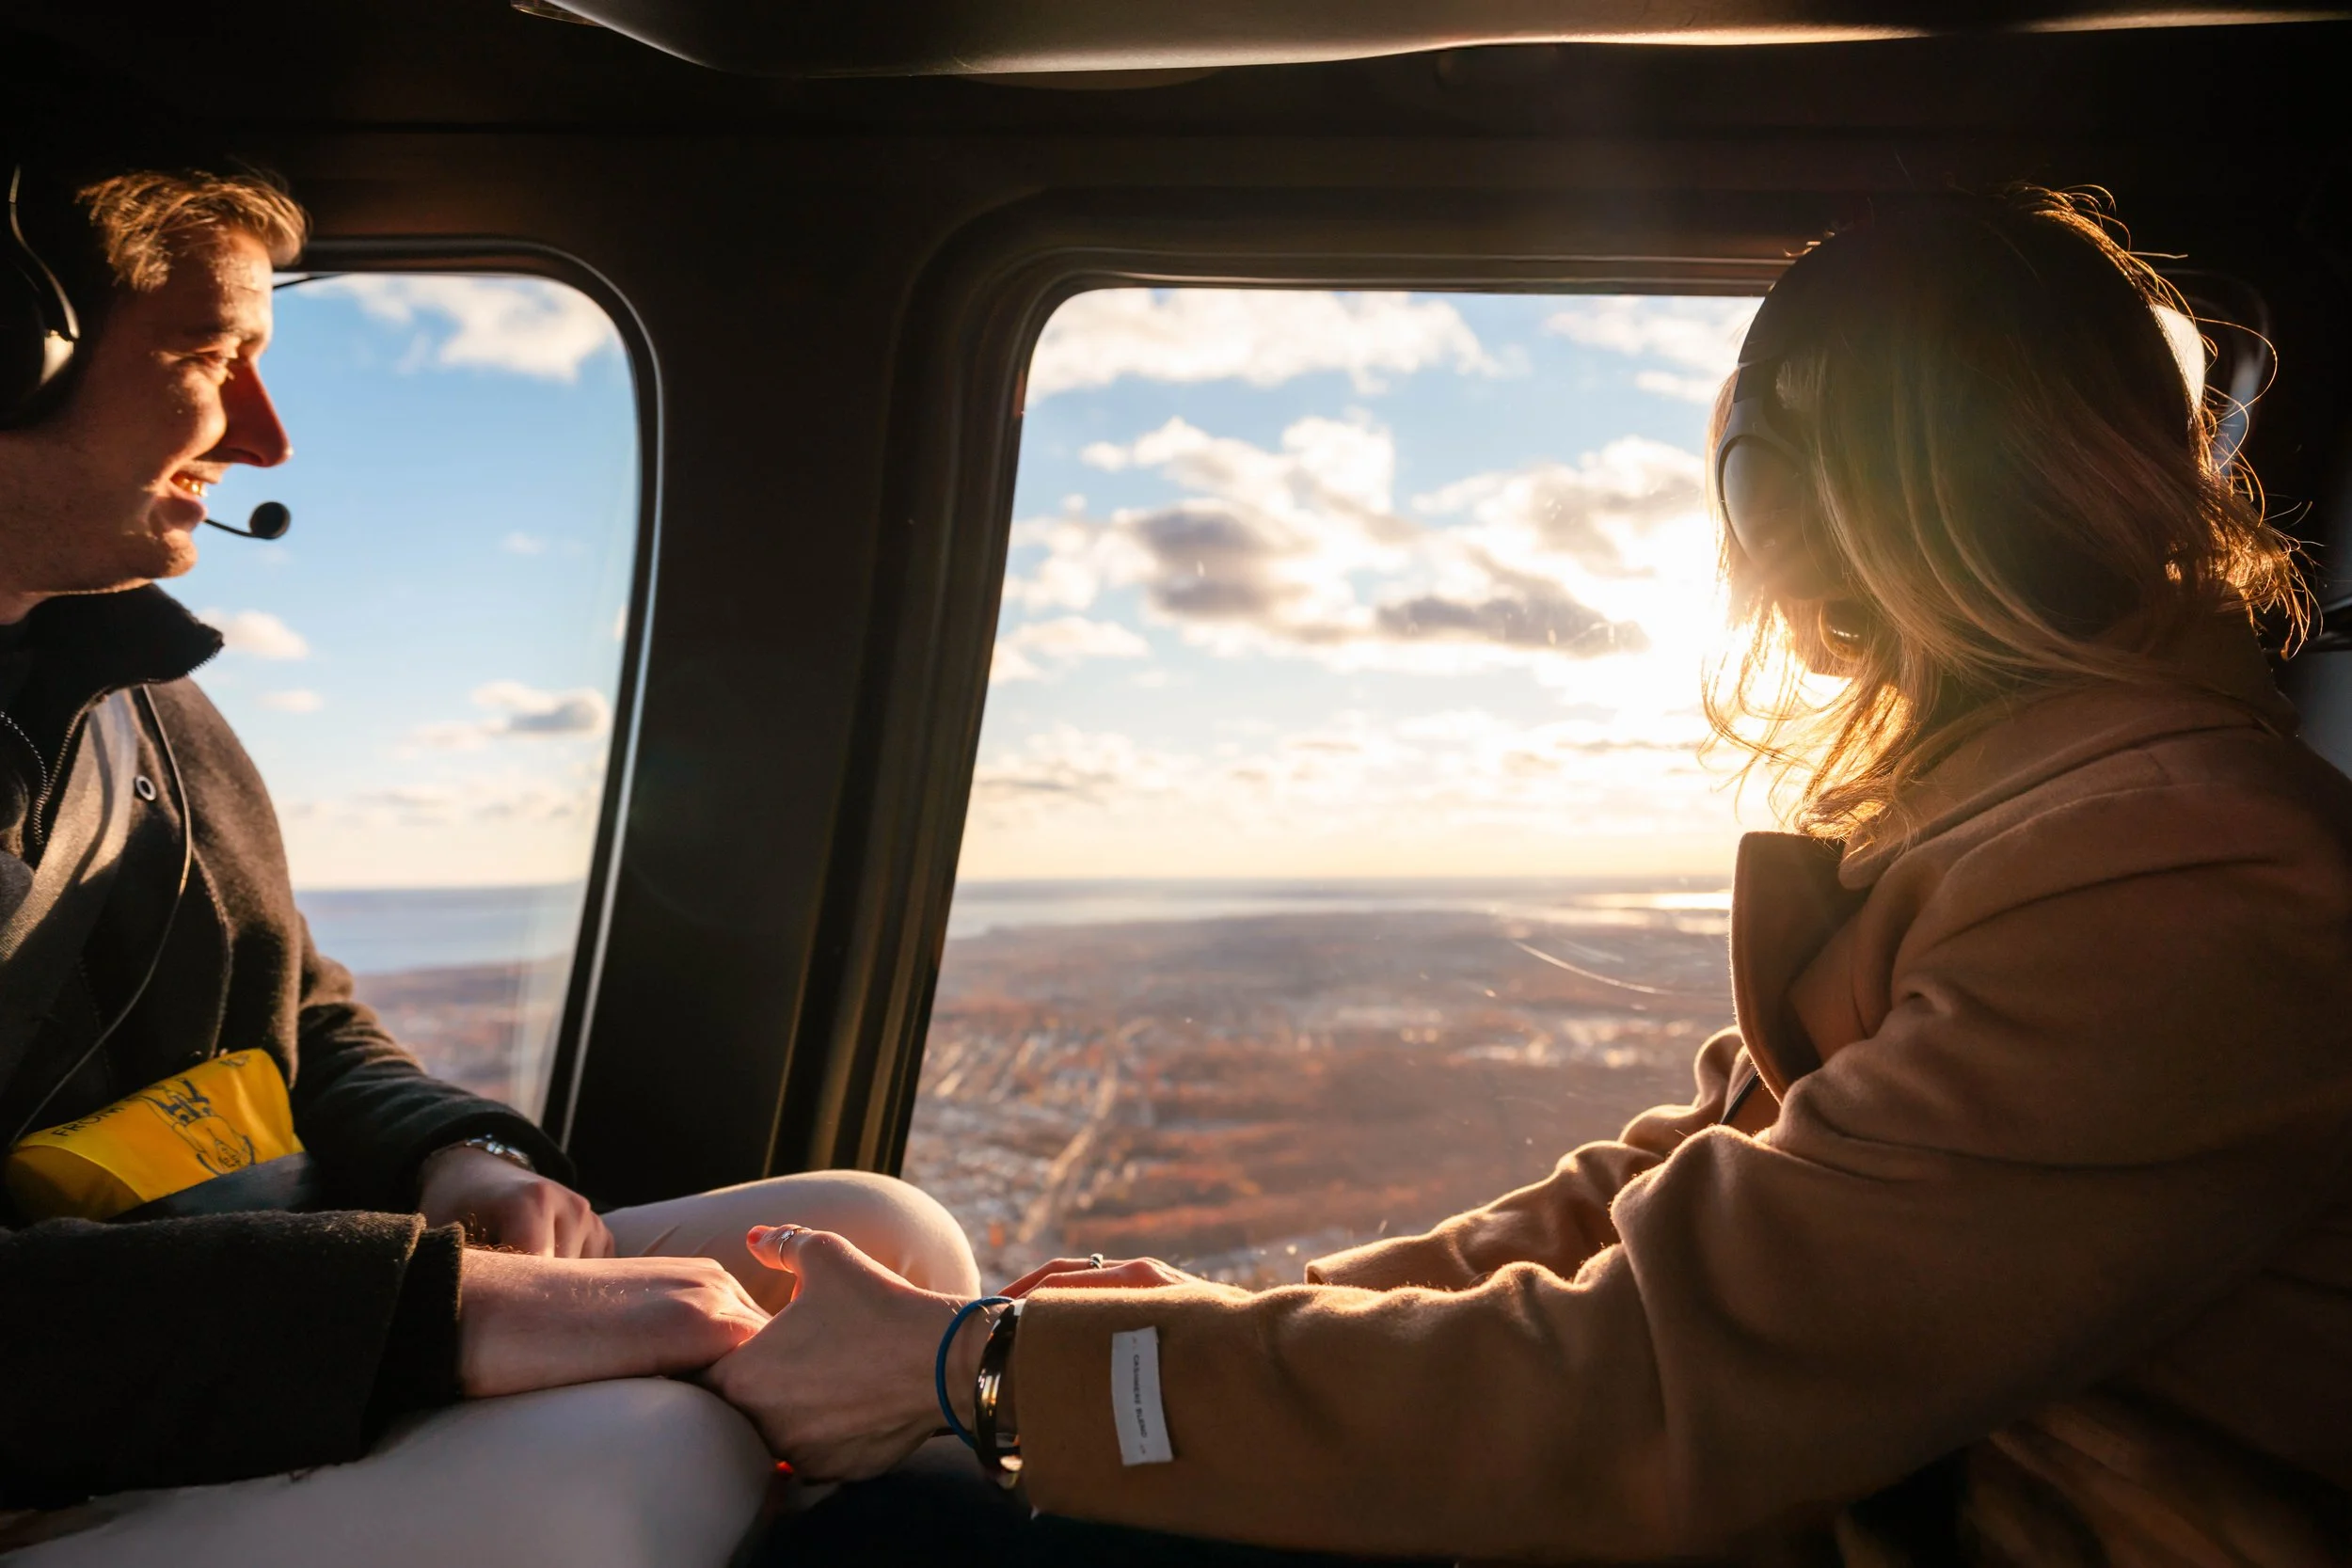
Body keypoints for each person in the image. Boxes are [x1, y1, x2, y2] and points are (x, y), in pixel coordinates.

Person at [712, 188, 2352, 1566]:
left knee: (894, 1538)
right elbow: (1659, 1204)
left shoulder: (2173, 880)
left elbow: (1643, 1378)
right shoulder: (2036, 821)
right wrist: (1233, 1313)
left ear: (1778, 512)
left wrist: (991, 1372)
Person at [0, 161, 977, 1565]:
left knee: (885, 1237)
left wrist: (455, 1159)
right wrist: (441, 1312)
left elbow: (295, 1019)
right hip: (61, 1441)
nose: (265, 438)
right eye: (211, 357)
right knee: (648, 1457)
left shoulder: (133, 691)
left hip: (240, 1321)